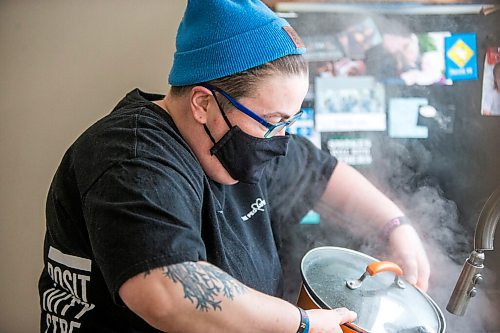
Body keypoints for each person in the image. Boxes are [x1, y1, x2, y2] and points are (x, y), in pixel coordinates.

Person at [38, 1, 430, 332]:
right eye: (271, 120)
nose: (278, 139)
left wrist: (397, 227)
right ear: (203, 104)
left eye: (288, 122)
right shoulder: (132, 156)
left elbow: (322, 172)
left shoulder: (238, 137)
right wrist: (302, 323)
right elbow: (167, 294)